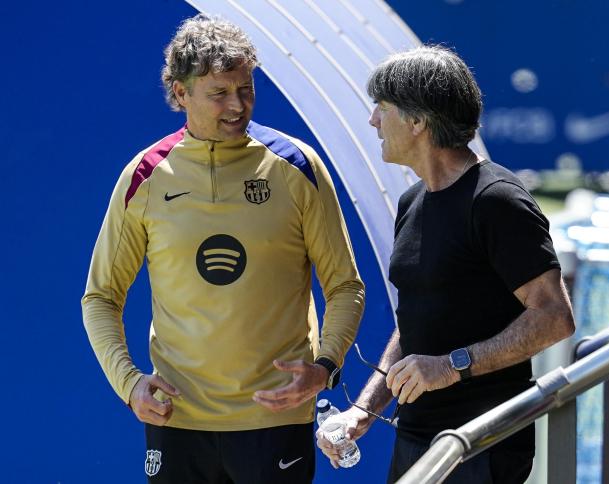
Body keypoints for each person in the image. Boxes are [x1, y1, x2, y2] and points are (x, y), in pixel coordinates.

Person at [81, 14, 365, 483]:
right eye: (219, 94)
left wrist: (325, 367)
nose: (238, 105)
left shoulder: (296, 166)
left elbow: (345, 286)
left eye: (246, 89)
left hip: (275, 419)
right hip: (179, 420)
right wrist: (129, 384)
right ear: (180, 93)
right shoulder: (145, 177)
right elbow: (100, 297)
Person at [317, 45, 575, 483]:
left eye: (383, 108)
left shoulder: (497, 199)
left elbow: (554, 317)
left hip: (482, 442)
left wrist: (452, 365)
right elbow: (418, 322)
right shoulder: (412, 201)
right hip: (417, 440)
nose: (372, 121)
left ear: (418, 121)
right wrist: (364, 410)